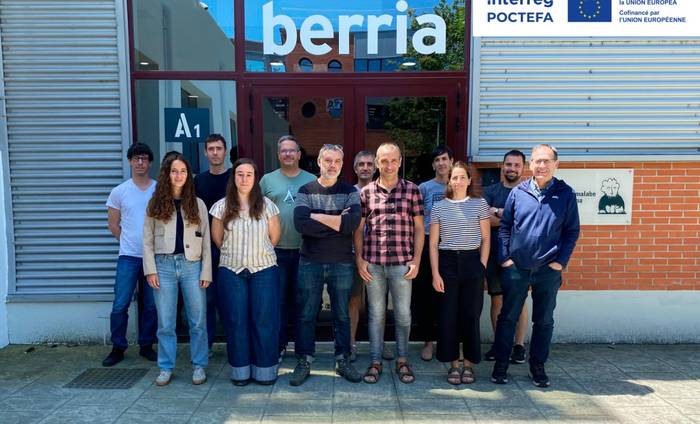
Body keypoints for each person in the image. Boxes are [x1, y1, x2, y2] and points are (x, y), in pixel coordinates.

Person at [491, 144, 580, 388]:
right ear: (530, 164)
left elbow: (572, 231)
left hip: (547, 271)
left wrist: (560, 262)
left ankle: (538, 366)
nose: (541, 165)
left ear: (556, 164)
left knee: (544, 321)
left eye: (546, 161)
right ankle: (501, 365)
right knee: (507, 318)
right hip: (517, 268)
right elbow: (505, 227)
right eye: (537, 161)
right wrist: (505, 259)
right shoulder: (518, 192)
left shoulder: (566, 194)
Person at [290, 144, 363, 386]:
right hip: (310, 261)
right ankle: (304, 360)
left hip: (341, 262)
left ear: (342, 164)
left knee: (342, 314)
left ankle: (343, 360)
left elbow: (351, 224)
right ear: (319, 162)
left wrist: (317, 216)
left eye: (337, 161)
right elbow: (301, 224)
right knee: (306, 314)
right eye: (328, 160)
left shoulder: (350, 191)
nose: (332, 165)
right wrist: (337, 222)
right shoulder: (305, 190)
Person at [355, 142, 424, 384]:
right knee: (376, 315)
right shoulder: (366, 193)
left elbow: (419, 228)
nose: (389, 165)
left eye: (393, 160)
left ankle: (402, 359)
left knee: (403, 315)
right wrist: (359, 258)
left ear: (400, 162)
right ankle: (375, 361)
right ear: (377, 163)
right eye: (384, 160)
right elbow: (359, 228)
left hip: (402, 264)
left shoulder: (413, 190)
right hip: (373, 264)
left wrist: (416, 259)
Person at [211, 158, 282, 386]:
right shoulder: (221, 207)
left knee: (264, 320)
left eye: (249, 174)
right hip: (231, 270)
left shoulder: (267, 205)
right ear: (234, 178)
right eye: (239, 174)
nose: (244, 179)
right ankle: (240, 371)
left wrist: (255, 255)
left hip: (263, 269)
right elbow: (218, 240)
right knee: (236, 320)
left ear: (255, 178)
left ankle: (265, 371)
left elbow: (274, 238)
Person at [143, 153, 212, 386]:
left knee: (198, 320)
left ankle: (199, 365)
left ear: (188, 175)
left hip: (192, 265)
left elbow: (206, 241)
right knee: (165, 322)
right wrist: (150, 270)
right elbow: (147, 240)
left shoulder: (198, 204)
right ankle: (165, 367)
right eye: (174, 171)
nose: (179, 175)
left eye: (183, 171)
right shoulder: (155, 203)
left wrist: (206, 271)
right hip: (163, 265)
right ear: (167, 174)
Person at [429, 162, 490, 385]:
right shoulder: (439, 207)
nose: (458, 181)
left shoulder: (479, 204)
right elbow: (433, 243)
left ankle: (469, 365)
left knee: (470, 316)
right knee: (449, 317)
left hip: (472, 262)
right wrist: (435, 274)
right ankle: (454, 365)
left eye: (462, 177)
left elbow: (486, 238)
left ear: (469, 180)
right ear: (449, 180)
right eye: (454, 177)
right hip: (447, 264)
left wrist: (482, 266)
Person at [260, 135, 316, 361]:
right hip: (276, 251)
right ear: (278, 154)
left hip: (306, 251)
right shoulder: (267, 180)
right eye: (284, 151)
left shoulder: (312, 180)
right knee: (279, 302)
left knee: (305, 303)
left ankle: (304, 350)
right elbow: (257, 213)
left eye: (292, 150)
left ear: (299, 154)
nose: (288, 154)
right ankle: (280, 345)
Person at [102, 143, 158, 367]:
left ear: (150, 162)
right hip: (128, 256)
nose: (140, 162)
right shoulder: (120, 191)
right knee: (120, 303)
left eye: (144, 158)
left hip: (153, 257)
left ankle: (146, 345)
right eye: (136, 159)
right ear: (130, 162)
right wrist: (128, 241)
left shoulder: (158, 190)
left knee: (151, 305)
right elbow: (113, 224)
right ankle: (118, 347)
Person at [482, 150, 530, 364]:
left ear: (523, 167)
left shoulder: (529, 192)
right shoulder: (490, 191)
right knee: (497, 299)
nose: (512, 168)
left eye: (516, 165)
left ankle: (519, 346)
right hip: (494, 254)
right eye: (508, 164)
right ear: (502, 166)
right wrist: (513, 217)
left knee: (519, 300)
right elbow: (485, 220)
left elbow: (528, 221)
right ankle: (499, 344)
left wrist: (499, 212)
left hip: (520, 256)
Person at [348, 150, 393, 363]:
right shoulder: (349, 193)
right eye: (361, 164)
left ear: (375, 167)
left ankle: (380, 343)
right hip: (352, 254)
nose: (365, 167)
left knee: (379, 303)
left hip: (378, 255)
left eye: (368, 164)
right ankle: (351, 343)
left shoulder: (384, 191)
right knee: (354, 300)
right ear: (355, 168)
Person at [414, 144, 453, 362]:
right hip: (429, 243)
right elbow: (417, 220)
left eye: (444, 159)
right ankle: (428, 341)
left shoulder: (459, 184)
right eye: (437, 160)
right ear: (433, 164)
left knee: (448, 297)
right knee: (426, 296)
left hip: (452, 245)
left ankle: (446, 341)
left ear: (451, 161)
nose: (441, 163)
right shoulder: (425, 188)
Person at [194, 134, 231, 354]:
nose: (215, 152)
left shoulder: (235, 179)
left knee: (230, 300)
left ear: (225, 151)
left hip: (232, 247)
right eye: (211, 149)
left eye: (219, 148)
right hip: (205, 249)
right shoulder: (198, 181)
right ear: (205, 153)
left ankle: (234, 346)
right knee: (206, 300)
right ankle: (205, 347)